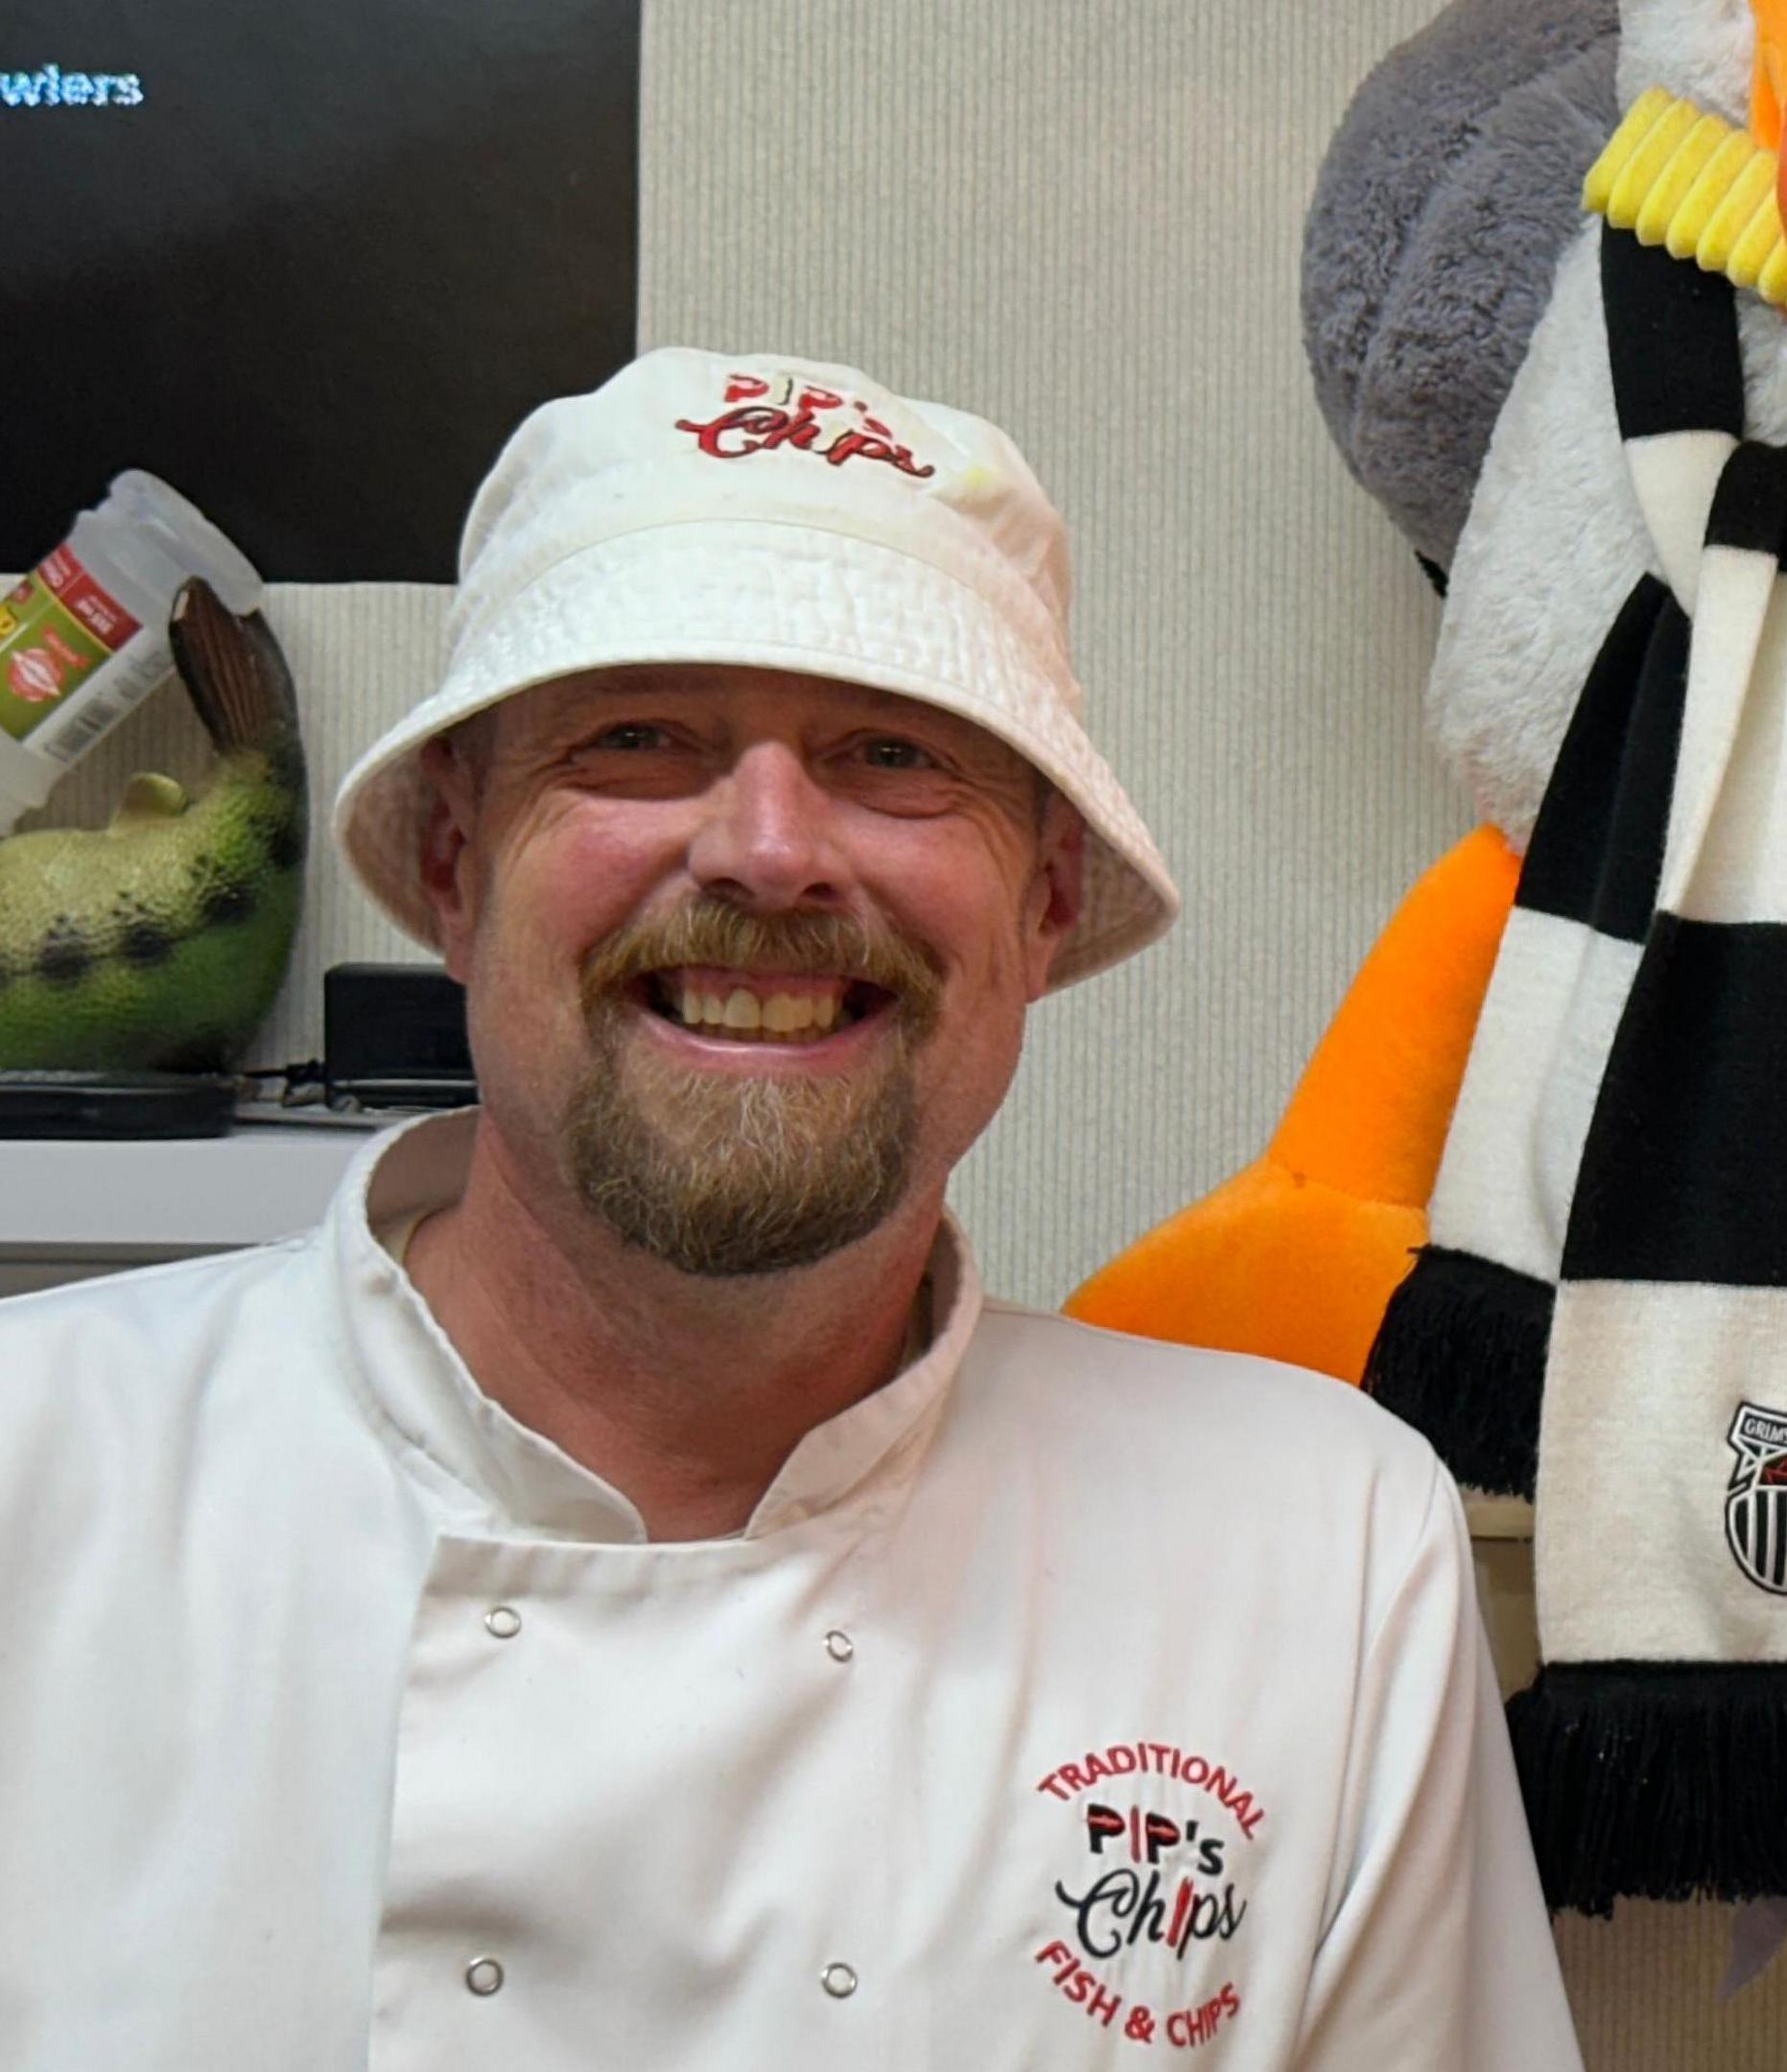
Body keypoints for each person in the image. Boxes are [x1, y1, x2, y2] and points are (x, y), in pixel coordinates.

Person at [0, 348, 1583, 2070]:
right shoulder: (40, 1470)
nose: (768, 849)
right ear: (455, 871)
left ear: (1042, 904)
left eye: (895, 753)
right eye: (638, 738)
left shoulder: (1321, 1556)